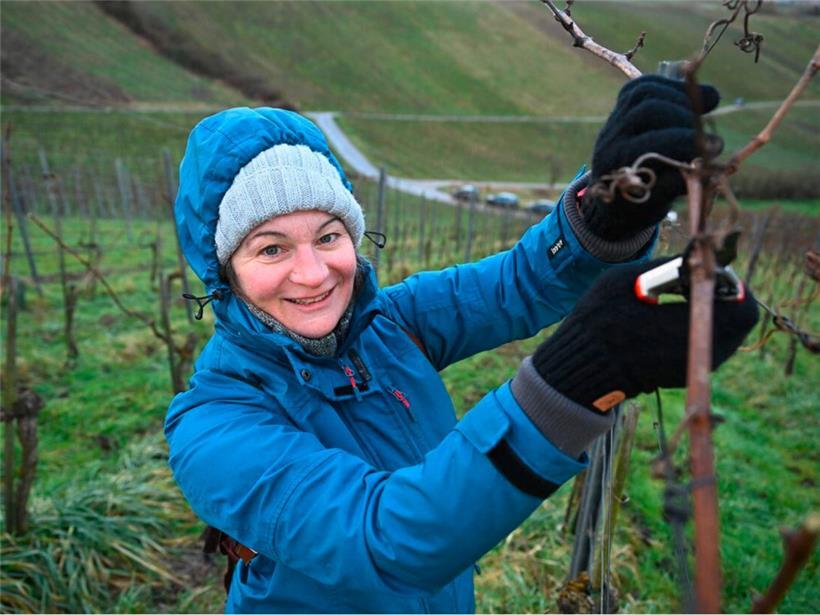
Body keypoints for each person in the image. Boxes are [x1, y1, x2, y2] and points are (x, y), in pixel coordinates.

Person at [165, 76, 758, 613]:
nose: (315, 273)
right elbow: (385, 541)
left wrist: (606, 212)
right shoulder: (212, 427)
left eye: (328, 235)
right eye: (271, 248)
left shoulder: (387, 323)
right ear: (225, 272)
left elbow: (520, 284)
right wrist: (573, 379)